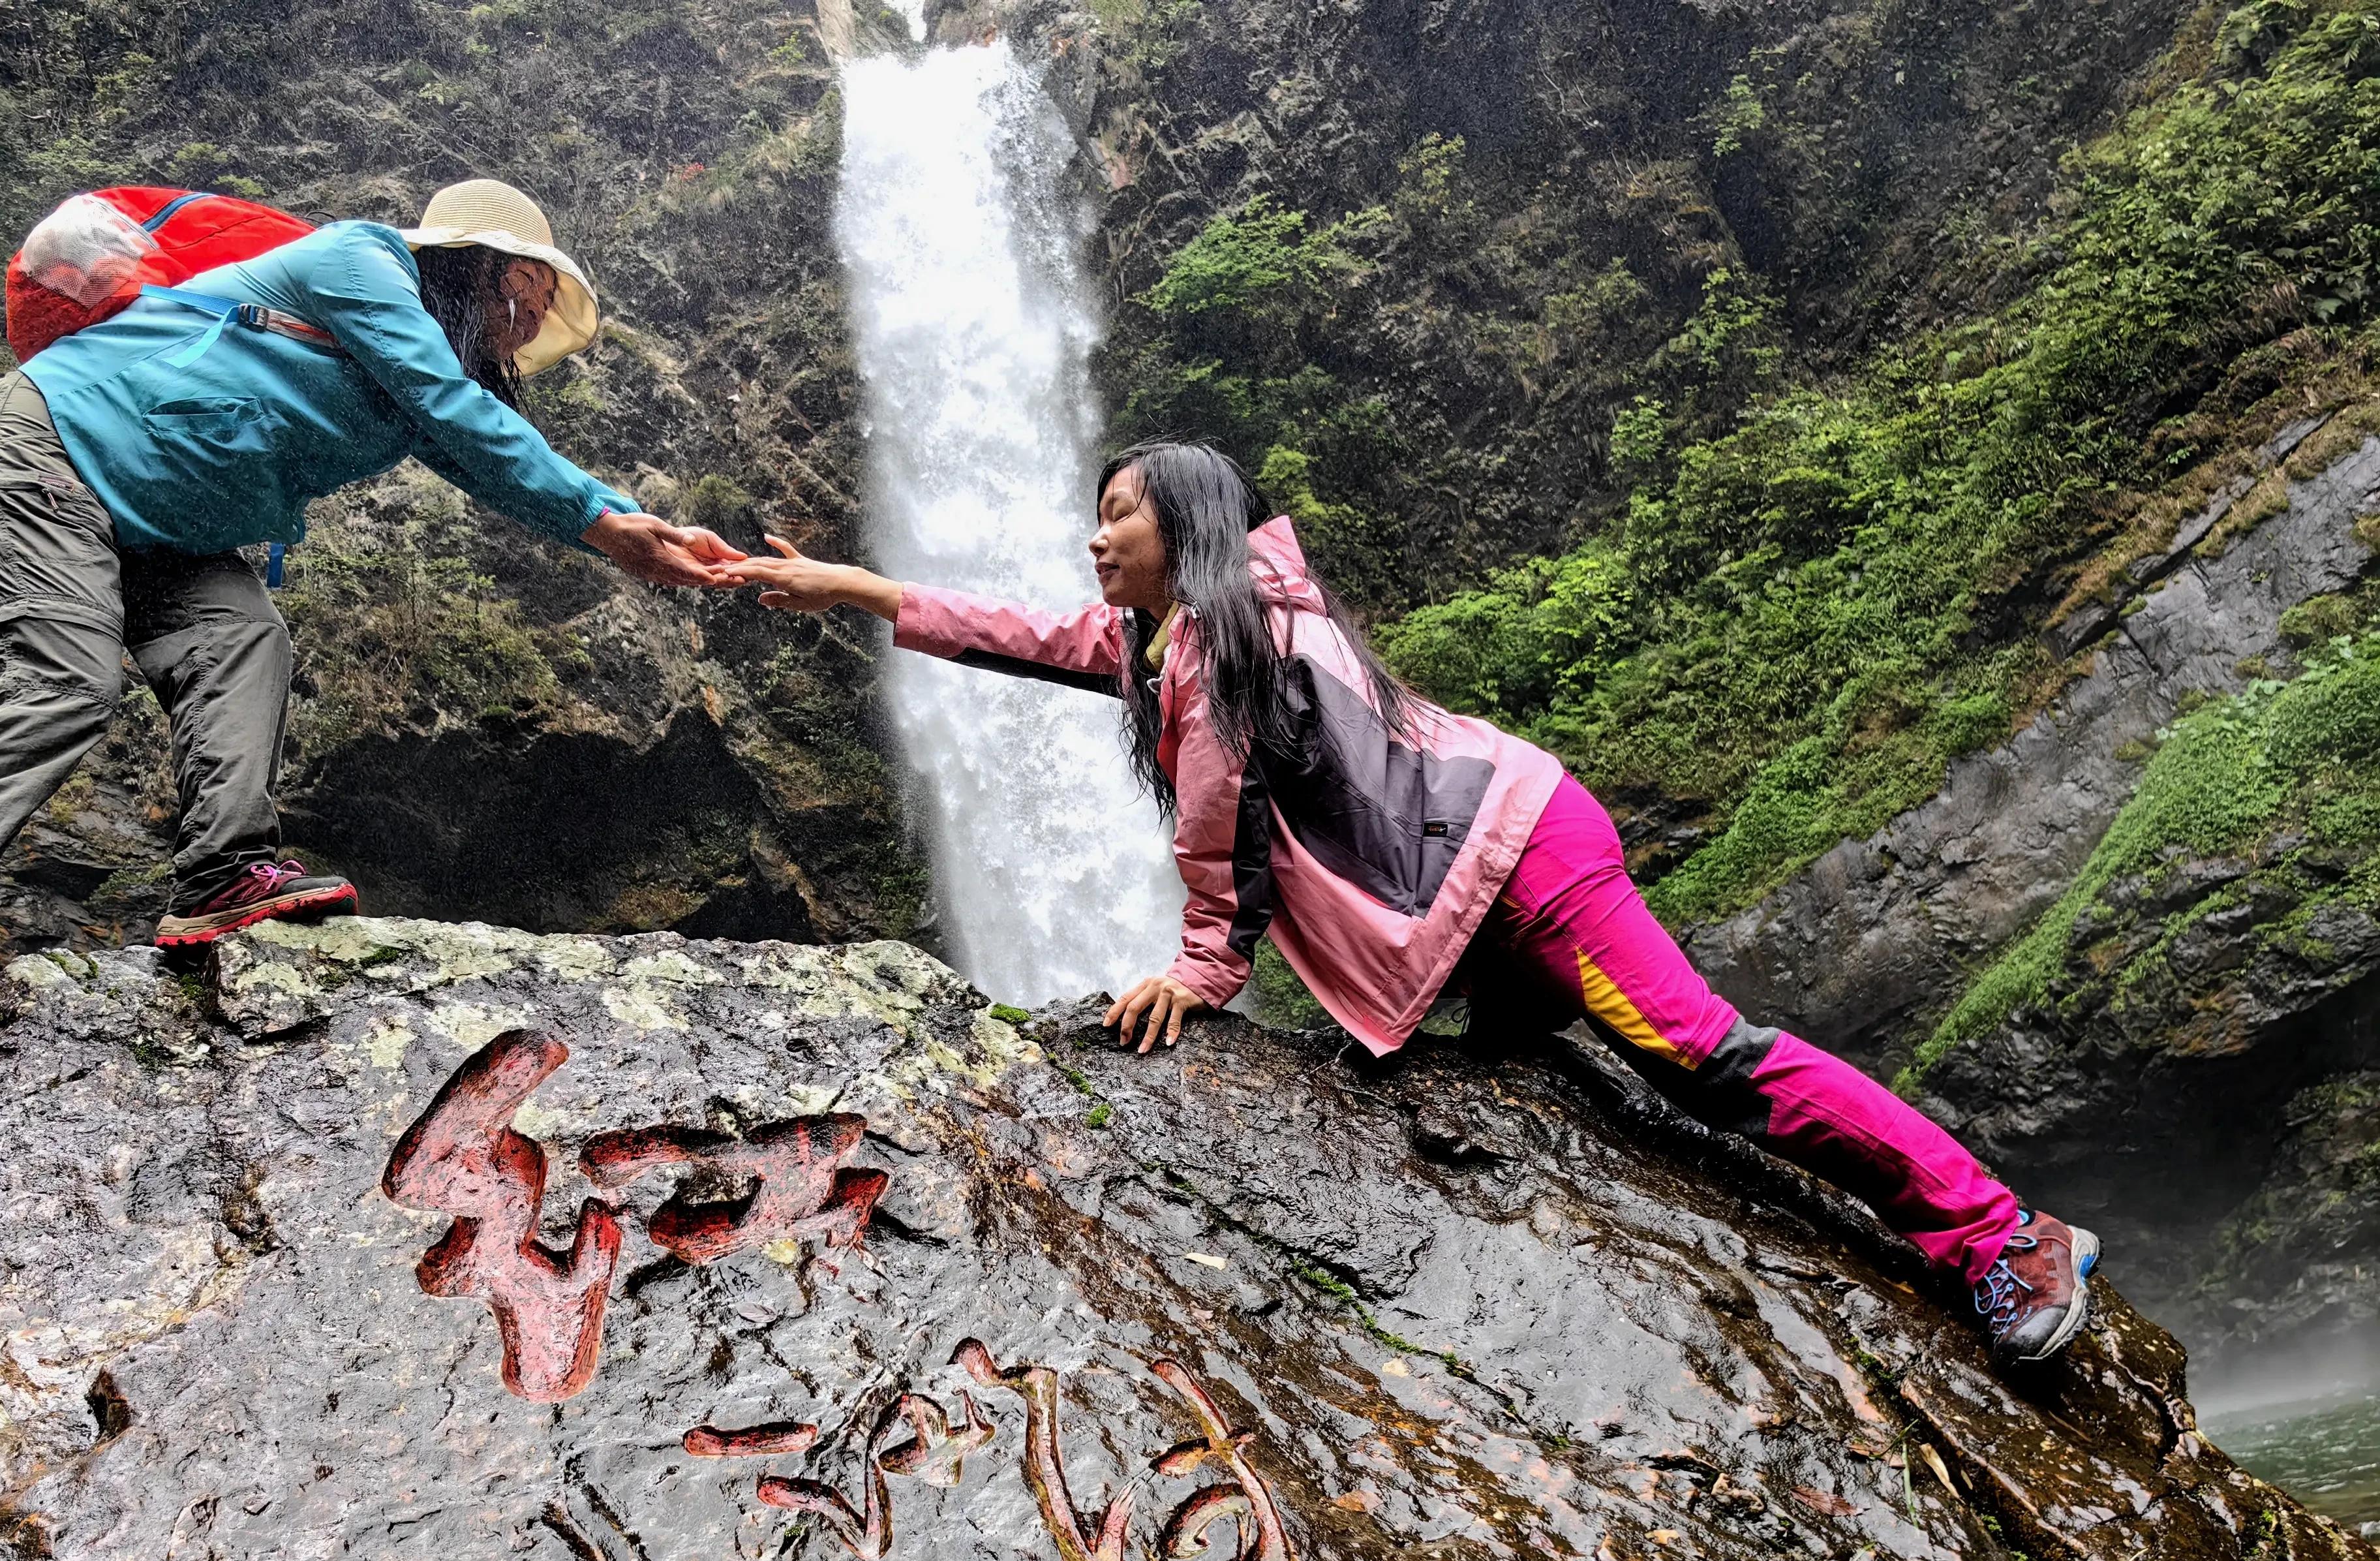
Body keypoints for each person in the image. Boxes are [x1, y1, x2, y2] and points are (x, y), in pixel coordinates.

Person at [714, 440, 2101, 1367]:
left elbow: (1217, 817)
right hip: (1470, 895)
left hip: (1526, 863)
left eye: (1118, 514)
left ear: (1187, 524)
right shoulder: (1171, 643)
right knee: (1544, 1089)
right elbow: (1020, 637)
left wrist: (1201, 973)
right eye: (1092, 515)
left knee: (1697, 1057)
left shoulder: (1231, 639)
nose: (1092, 538)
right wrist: (845, 586)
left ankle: (2003, 1237)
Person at [0, 179, 742, 1013]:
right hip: (51, 452)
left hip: (170, 530)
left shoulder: (407, 378)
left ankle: (219, 880)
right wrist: (604, 522)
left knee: (245, 639)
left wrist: (635, 524)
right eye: (536, 297)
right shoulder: (359, 260)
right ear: (496, 271)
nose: (536, 323)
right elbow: (458, 412)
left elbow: (481, 457)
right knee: (64, 680)